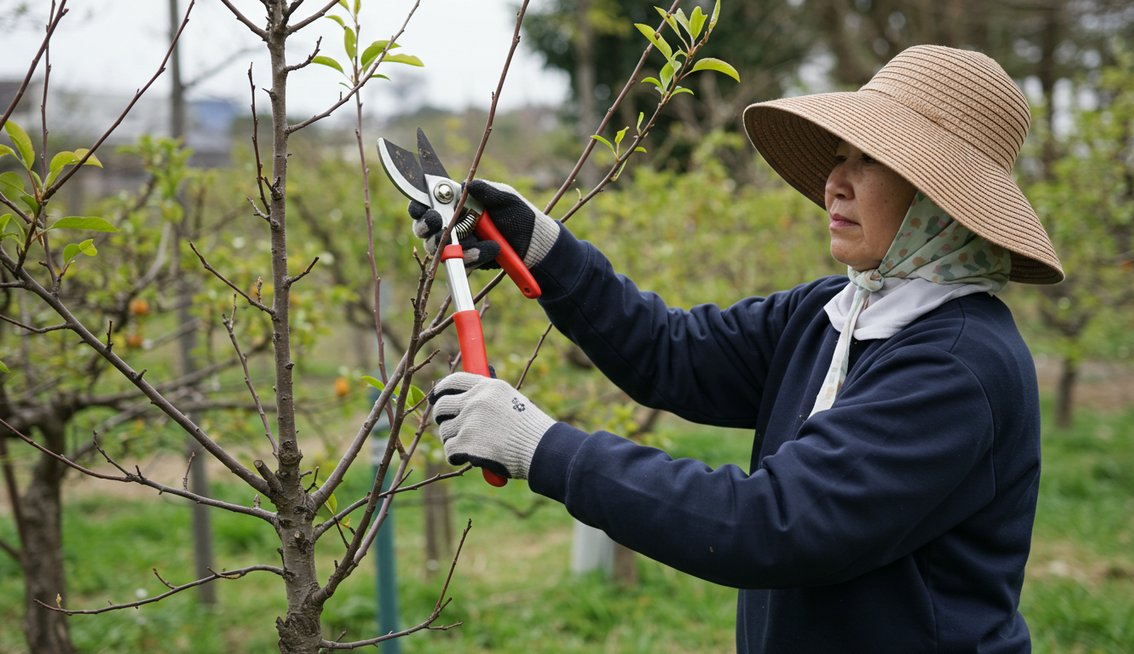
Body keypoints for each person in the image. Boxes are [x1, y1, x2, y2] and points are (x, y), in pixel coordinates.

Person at [411, 45, 1063, 653]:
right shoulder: (835, 312)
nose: (835, 183)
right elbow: (673, 354)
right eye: (840, 156)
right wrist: (544, 249)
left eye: (871, 163)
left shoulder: (954, 366)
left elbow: (772, 523)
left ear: (940, 202)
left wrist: (544, 448)